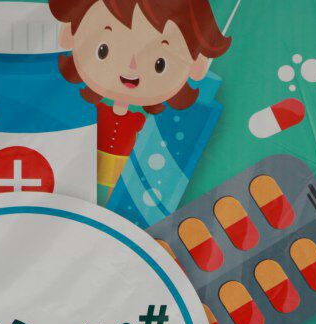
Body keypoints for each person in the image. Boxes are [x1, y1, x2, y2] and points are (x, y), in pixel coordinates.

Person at [48, 0, 230, 201]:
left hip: (121, 175)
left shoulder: (142, 124)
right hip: (79, 171)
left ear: (196, 65)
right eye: (103, 50)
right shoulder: (87, 116)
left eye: (159, 64)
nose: (131, 69)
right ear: (70, 33)